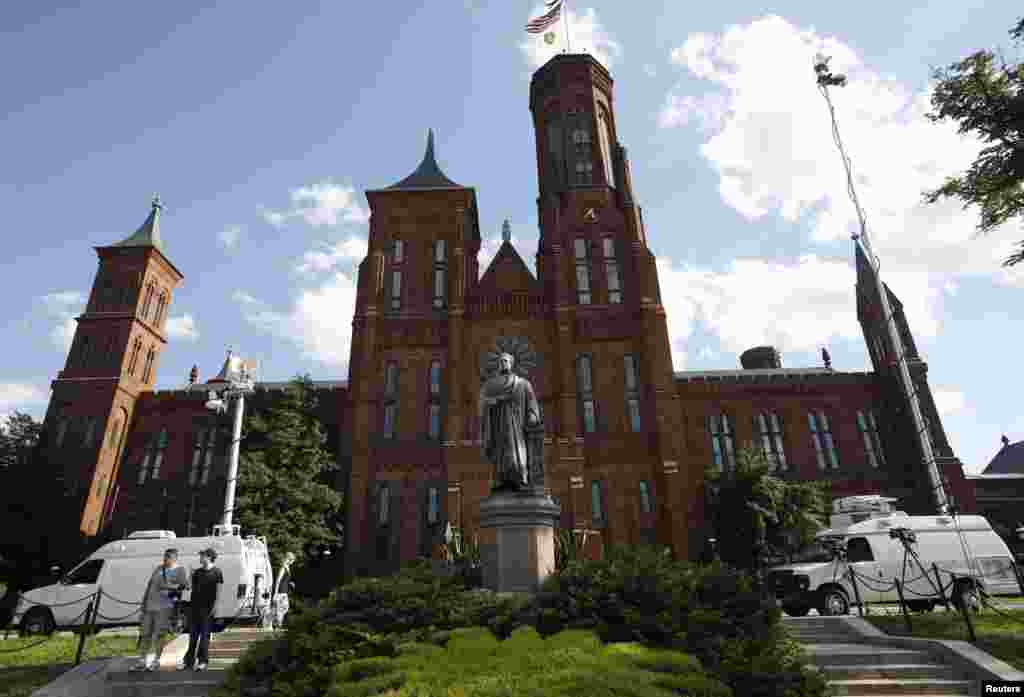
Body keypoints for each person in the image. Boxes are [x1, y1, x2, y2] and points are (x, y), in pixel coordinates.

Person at [479, 352, 542, 491]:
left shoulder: (523, 383)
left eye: (506, 361)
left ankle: (519, 479)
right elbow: (483, 402)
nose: (503, 363)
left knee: (517, 454)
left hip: (518, 428)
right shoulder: (491, 385)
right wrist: (493, 402)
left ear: (511, 364)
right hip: (499, 428)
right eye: (501, 361)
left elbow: (532, 402)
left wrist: (533, 415)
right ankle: (501, 481)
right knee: (500, 456)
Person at [135, 548, 189, 671]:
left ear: (175, 558)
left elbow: (184, 587)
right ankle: (142, 661)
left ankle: (156, 661)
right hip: (149, 606)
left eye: (168, 557)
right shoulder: (158, 568)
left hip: (164, 607)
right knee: (145, 634)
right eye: (165, 557)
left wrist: (170, 587)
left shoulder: (180, 570)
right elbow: (149, 586)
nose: (165, 559)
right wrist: (143, 605)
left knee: (159, 635)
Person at [179, 548, 223, 671]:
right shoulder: (197, 572)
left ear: (208, 557)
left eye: (202, 556)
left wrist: (216, 607)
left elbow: (219, 591)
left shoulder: (217, 572)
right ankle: (188, 662)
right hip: (194, 608)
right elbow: (188, 587)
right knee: (193, 636)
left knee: (204, 637)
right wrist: (190, 575)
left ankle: (202, 661)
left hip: (208, 609)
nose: (200, 558)